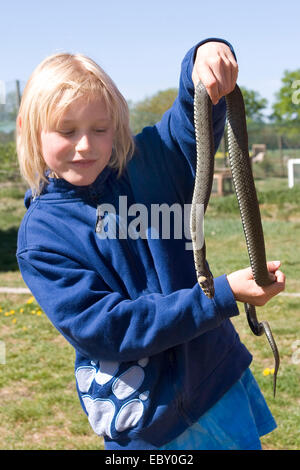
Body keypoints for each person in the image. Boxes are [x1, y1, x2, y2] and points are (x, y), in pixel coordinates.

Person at [16, 38, 285, 450]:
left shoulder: (150, 163)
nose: (85, 145)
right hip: (148, 422)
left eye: (100, 129)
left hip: (216, 382)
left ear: (117, 126)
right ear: (31, 131)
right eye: (66, 131)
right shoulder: (42, 237)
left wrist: (203, 59)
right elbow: (109, 328)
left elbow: (189, 120)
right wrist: (220, 295)